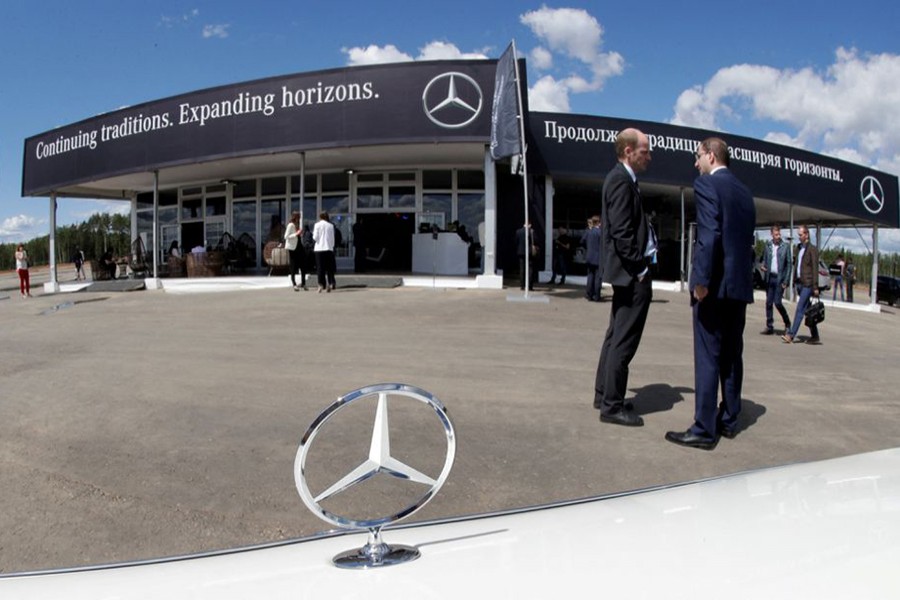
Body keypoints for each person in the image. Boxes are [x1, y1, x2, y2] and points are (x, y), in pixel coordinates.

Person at [665, 137, 756, 450]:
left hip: (714, 288)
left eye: (697, 156)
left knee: (708, 357)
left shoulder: (706, 185)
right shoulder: (745, 193)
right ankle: (729, 419)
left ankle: (704, 428)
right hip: (739, 289)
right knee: (732, 355)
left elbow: (709, 235)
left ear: (711, 155)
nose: (695, 163)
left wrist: (700, 281)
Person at [593, 128, 653, 427]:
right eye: (645, 151)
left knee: (615, 334)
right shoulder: (620, 180)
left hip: (625, 274)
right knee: (623, 340)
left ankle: (605, 394)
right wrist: (640, 268)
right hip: (631, 275)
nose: (649, 156)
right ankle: (612, 406)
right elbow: (621, 231)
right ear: (628, 151)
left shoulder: (623, 179)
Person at [783, 225, 821, 345]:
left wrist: (815, 286)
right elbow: (797, 266)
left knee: (800, 309)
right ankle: (815, 335)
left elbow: (815, 268)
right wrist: (794, 281)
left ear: (807, 234)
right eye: (798, 235)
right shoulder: (799, 248)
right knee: (808, 311)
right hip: (799, 283)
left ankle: (791, 335)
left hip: (808, 284)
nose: (799, 237)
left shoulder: (812, 249)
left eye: (801, 235)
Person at [759, 224, 791, 334]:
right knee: (768, 303)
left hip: (779, 278)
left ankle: (787, 323)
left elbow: (789, 265)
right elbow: (763, 259)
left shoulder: (785, 246)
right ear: (771, 234)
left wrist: (786, 281)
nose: (778, 236)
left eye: (779, 234)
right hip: (770, 277)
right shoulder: (768, 245)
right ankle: (769, 325)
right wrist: (763, 266)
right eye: (776, 234)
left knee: (777, 302)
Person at [312, 211, 337, 293]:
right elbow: (332, 238)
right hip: (328, 248)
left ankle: (321, 284)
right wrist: (331, 246)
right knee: (329, 268)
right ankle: (330, 283)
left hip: (319, 248)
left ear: (320, 217)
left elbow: (315, 237)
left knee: (320, 268)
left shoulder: (317, 225)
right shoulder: (330, 225)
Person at [581, 216, 602, 301]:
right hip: (598, 257)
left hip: (589, 256)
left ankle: (589, 295)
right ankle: (596, 295)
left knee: (590, 276)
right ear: (599, 223)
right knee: (598, 277)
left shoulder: (588, 232)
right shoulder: (600, 233)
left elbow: (582, 241)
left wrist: (588, 248)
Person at [284, 211, 307, 291]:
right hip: (293, 248)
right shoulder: (290, 225)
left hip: (299, 247)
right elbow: (286, 236)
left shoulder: (297, 225)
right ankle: (294, 284)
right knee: (293, 266)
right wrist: (296, 234)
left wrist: (300, 234)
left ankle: (303, 283)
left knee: (303, 265)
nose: (299, 218)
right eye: (298, 217)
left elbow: (297, 236)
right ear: (295, 217)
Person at [515, 221, 536, 290]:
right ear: (529, 224)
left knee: (522, 269)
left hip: (521, 252)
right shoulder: (531, 232)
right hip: (529, 252)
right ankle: (530, 285)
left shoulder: (518, 232)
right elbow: (536, 241)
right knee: (530, 269)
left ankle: (522, 285)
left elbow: (516, 241)